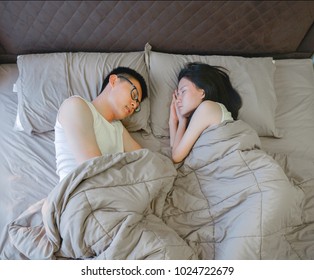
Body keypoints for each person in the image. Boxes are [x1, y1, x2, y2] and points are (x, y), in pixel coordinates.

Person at [54, 66, 148, 181]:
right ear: (114, 81)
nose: (134, 105)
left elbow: (146, 161)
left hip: (110, 191)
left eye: (137, 106)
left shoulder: (118, 128)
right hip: (80, 190)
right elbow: (91, 167)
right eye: (134, 95)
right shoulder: (76, 105)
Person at [169, 62, 242, 163]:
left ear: (202, 92)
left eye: (183, 91)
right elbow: (174, 149)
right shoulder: (201, 116)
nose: (178, 100)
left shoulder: (207, 107)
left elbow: (176, 157)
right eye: (177, 95)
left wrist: (181, 121)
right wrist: (173, 120)